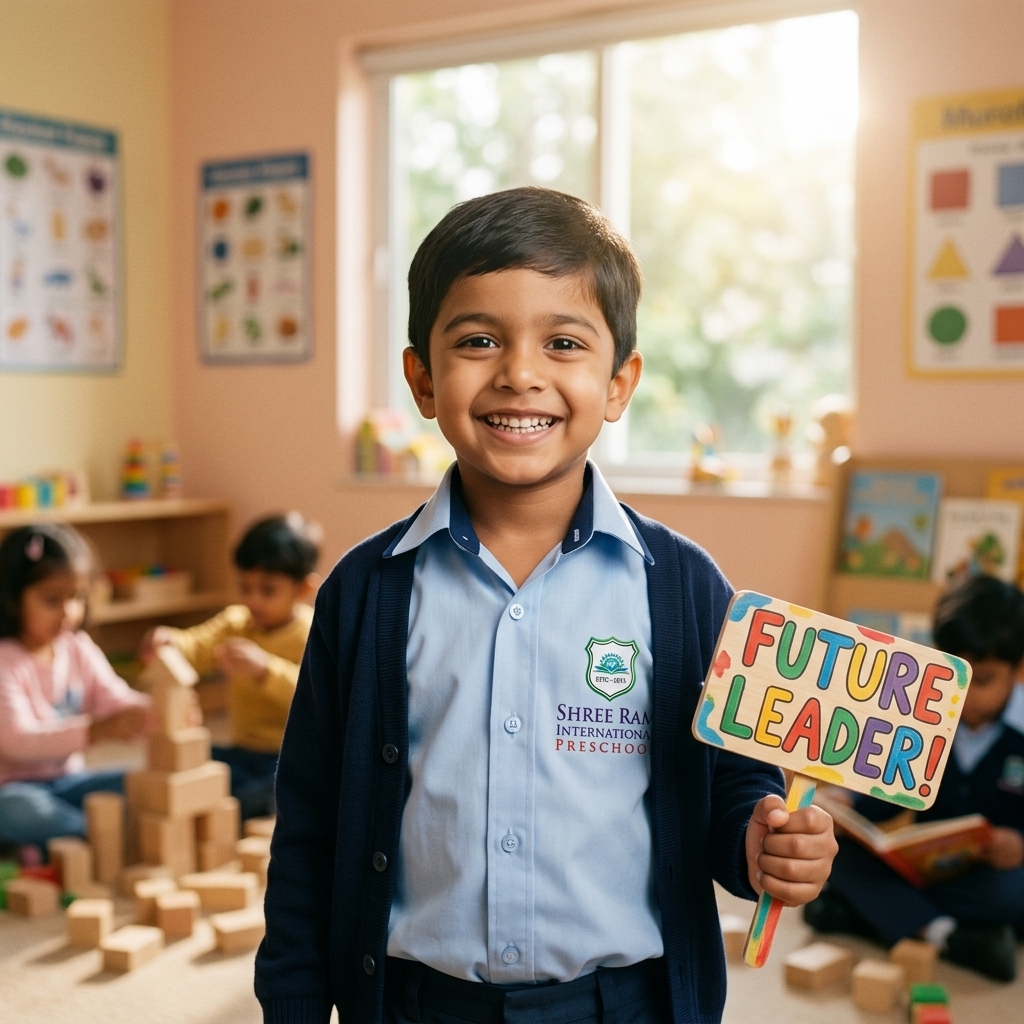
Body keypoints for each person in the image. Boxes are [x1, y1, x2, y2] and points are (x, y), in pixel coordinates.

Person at [255, 187, 837, 1024]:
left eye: (563, 343)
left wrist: (761, 842)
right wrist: (297, 1002)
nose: (519, 373)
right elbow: (308, 826)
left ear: (619, 382)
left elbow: (729, 784)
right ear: (421, 376)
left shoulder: (686, 589)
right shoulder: (362, 592)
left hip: (624, 1003)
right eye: (479, 340)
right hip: (417, 1003)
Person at [805, 575, 1024, 981]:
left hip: (990, 875)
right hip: (920, 868)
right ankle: (950, 935)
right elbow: (887, 796)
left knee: (1014, 892)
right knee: (835, 854)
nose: (969, 696)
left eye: (985, 680)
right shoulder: (925, 719)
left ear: (1017, 670)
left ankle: (872, 915)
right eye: (958, 676)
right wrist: (849, 803)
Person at [140, 513, 319, 819]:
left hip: (290, 761)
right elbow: (197, 645)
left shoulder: (312, 633)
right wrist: (170, 640)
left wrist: (266, 670)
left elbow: (316, 697)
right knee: (189, 770)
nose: (252, 600)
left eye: (267, 590)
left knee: (263, 796)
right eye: (245, 587)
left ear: (303, 589)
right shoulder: (236, 623)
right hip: (241, 753)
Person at [0, 524, 152, 852]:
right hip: (15, 789)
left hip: (70, 782)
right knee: (14, 810)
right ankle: (95, 835)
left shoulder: (77, 647)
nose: (69, 612)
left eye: (77, 598)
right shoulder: (5, 660)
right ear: (12, 598)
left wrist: (156, 713)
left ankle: (80, 835)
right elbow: (17, 741)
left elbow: (115, 698)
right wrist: (95, 732)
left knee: (139, 780)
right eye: (52, 600)